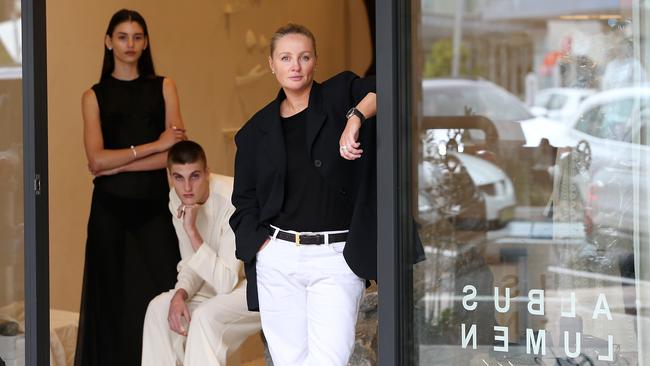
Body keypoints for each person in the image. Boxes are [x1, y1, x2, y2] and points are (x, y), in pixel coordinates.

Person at [230, 23, 377, 365]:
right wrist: (261, 247)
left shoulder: (341, 94)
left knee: (330, 359)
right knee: (288, 360)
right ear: (271, 64)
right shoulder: (255, 131)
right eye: (285, 57)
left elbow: (387, 87)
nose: (295, 66)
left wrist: (355, 117)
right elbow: (244, 201)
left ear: (314, 61)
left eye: (303, 56)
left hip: (336, 257)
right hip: (278, 257)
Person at [75, 9, 186, 366]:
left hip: (155, 208)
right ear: (108, 42)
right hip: (110, 211)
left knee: (161, 292)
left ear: (146, 42)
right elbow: (95, 161)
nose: (130, 44)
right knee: (110, 301)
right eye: (122, 36)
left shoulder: (164, 86)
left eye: (137, 36)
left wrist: (119, 161)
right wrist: (154, 145)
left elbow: (176, 155)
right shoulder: (93, 96)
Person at [142, 140, 261, 365]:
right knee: (159, 308)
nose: (187, 188)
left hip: (255, 285)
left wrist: (191, 231)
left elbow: (226, 281)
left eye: (194, 176)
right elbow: (191, 263)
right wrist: (181, 293)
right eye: (179, 177)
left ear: (207, 173)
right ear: (170, 176)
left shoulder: (233, 199)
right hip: (216, 277)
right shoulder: (175, 198)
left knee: (205, 317)